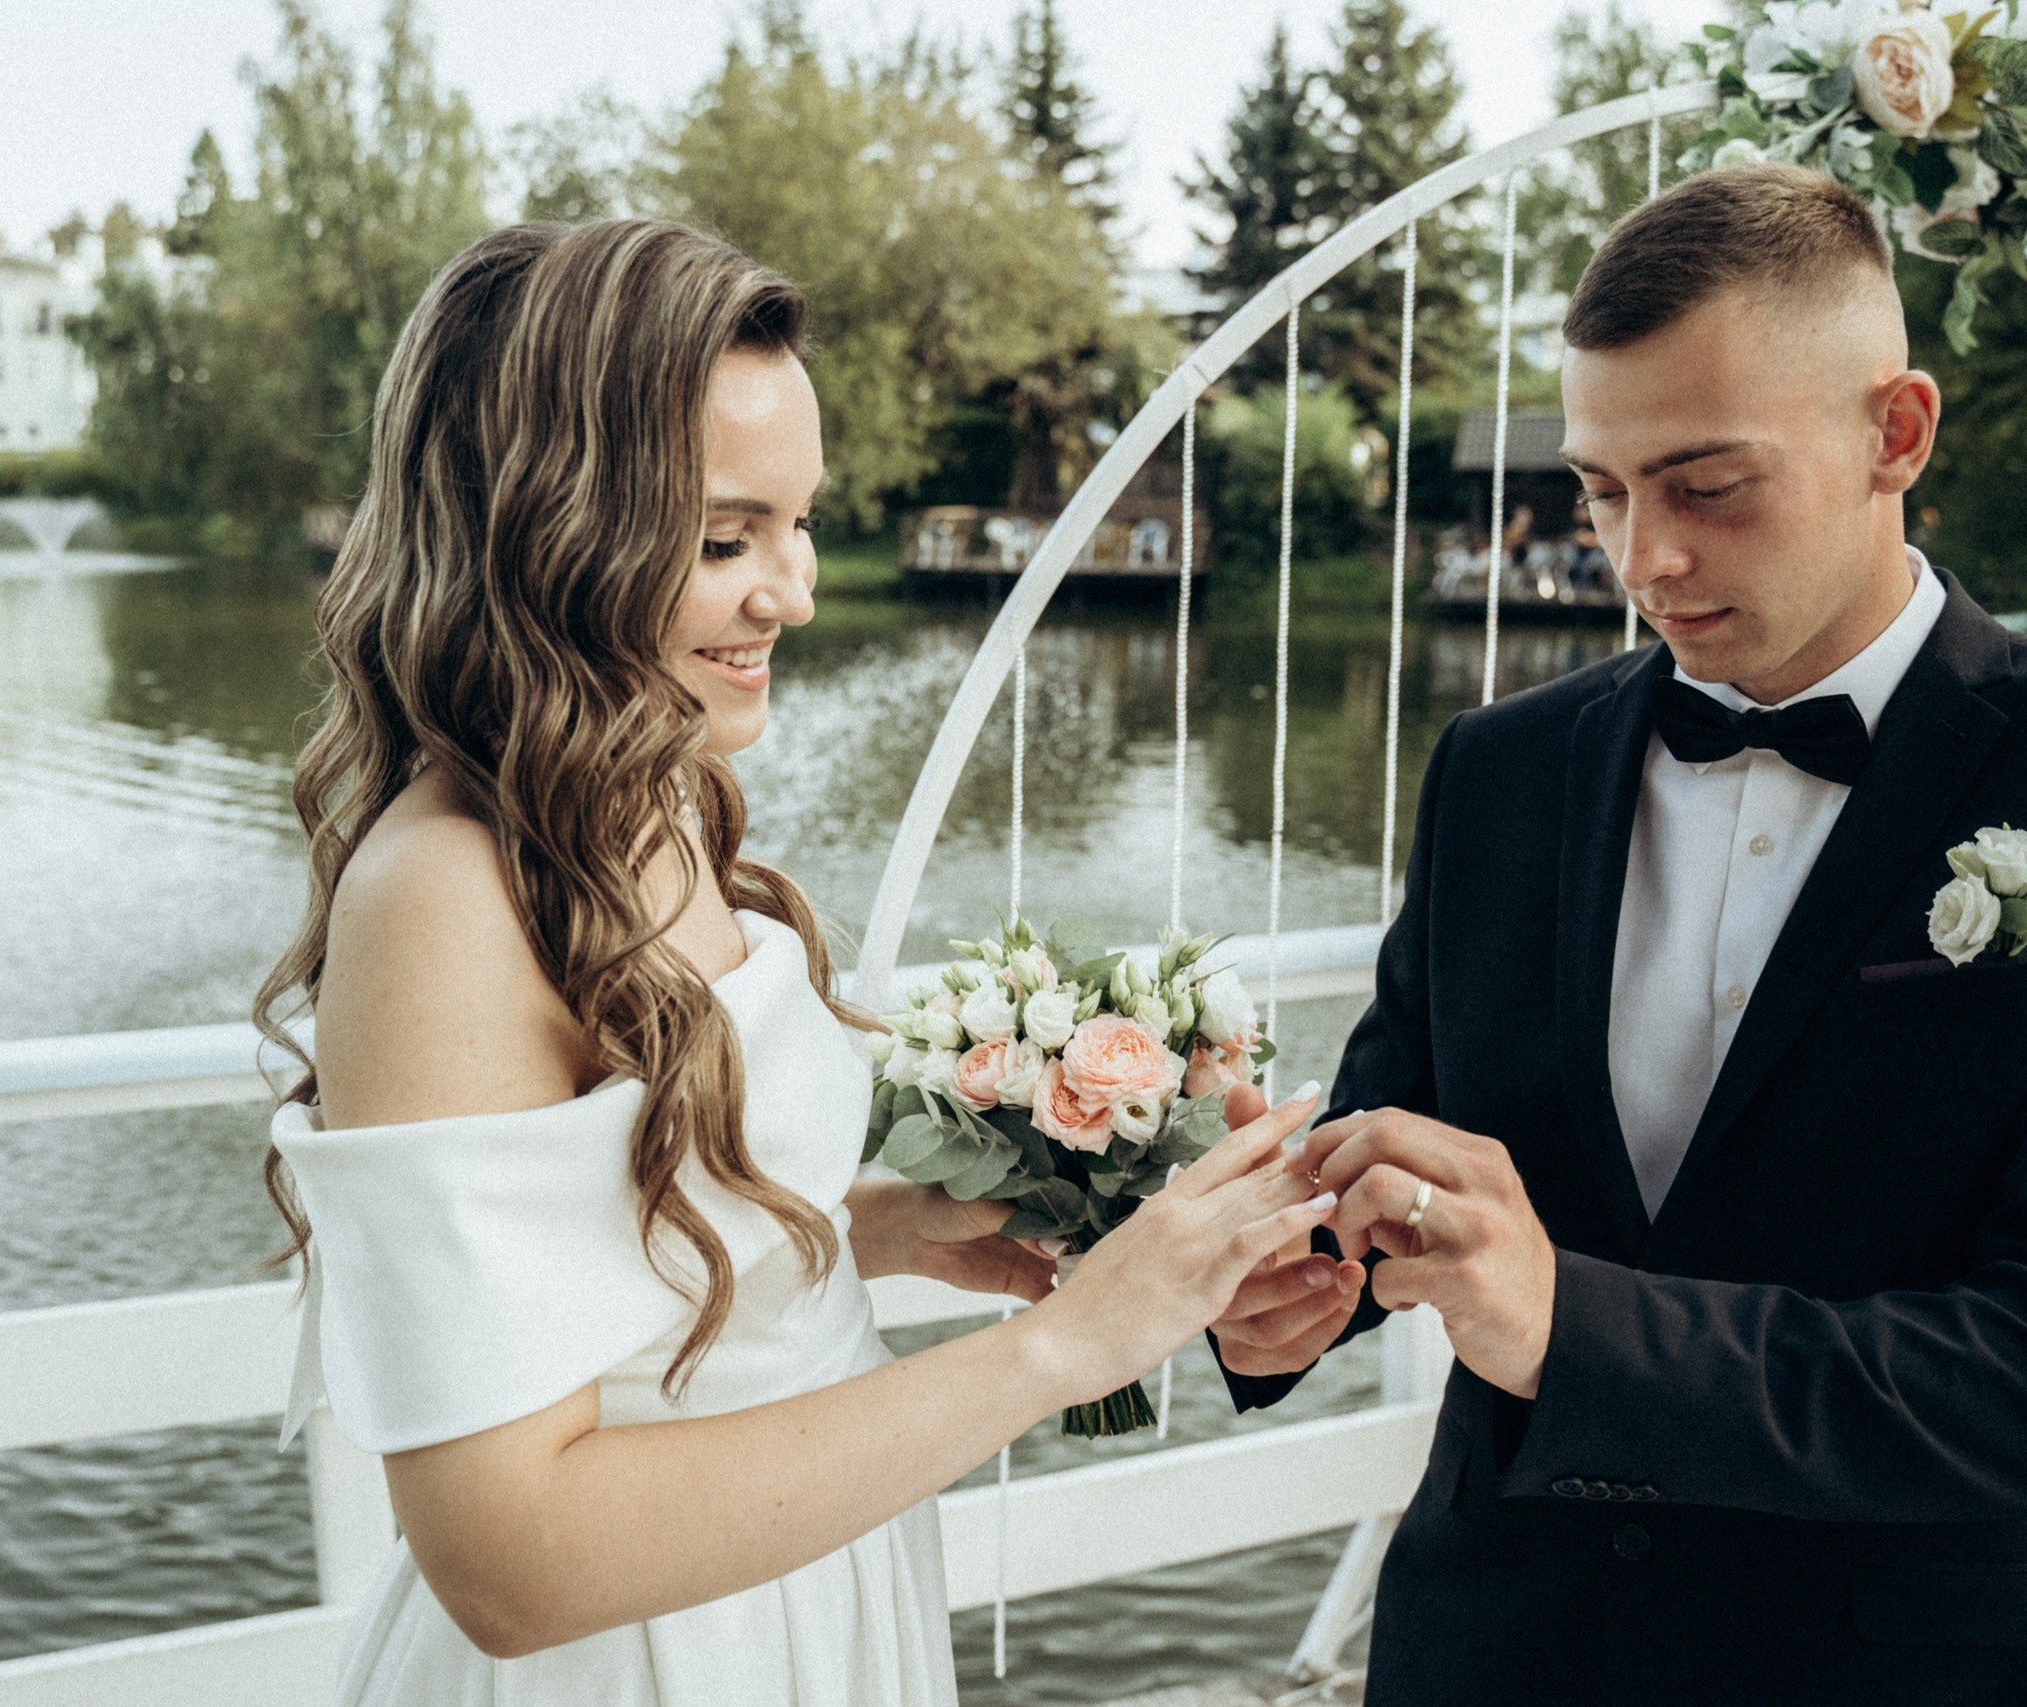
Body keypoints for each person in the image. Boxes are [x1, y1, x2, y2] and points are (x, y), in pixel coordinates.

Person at [1207, 163, 2027, 1705]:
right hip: (1495, 1654)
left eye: (1707, 486)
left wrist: (1578, 1327)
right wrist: (1283, 1296)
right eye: (1599, 490)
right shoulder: (1498, 773)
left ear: (1893, 434)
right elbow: (1401, 1145)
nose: (1639, 558)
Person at [251, 219, 1337, 1707]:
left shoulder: (654, 798)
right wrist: (1063, 1352)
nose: (797, 591)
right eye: (722, 539)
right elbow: (508, 1563)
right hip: (635, 1662)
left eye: (799, 522)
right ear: (540, 529)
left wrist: (876, 1229)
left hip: (806, 1603)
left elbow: (626, 1235)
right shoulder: (445, 892)